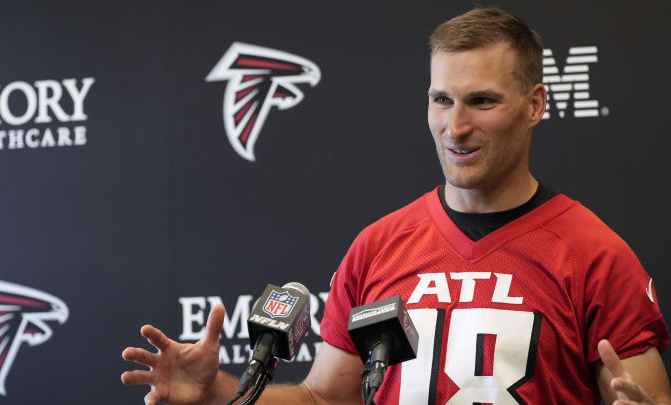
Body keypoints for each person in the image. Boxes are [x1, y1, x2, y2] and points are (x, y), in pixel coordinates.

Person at [121, 7, 671, 405]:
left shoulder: (596, 255)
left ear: (534, 104)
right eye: (442, 100)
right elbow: (326, 401)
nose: (455, 127)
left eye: (482, 101)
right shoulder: (378, 246)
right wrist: (217, 391)